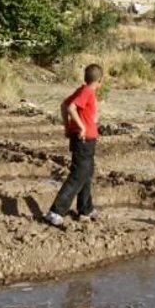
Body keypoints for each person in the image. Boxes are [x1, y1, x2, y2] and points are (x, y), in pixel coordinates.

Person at [44, 64, 103, 226]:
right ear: (99, 81)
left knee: (87, 173)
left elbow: (64, 106)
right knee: (78, 174)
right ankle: (55, 211)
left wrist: (67, 126)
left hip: (87, 140)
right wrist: (81, 127)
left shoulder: (83, 90)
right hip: (83, 140)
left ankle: (86, 209)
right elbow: (70, 108)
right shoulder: (87, 92)